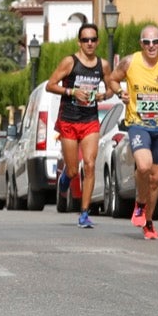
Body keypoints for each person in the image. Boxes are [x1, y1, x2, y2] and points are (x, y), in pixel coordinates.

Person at [106, 25, 158, 240]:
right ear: (141, 44)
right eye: (146, 42)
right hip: (138, 124)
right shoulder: (130, 62)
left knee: (155, 178)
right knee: (143, 166)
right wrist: (120, 92)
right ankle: (140, 204)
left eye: (155, 42)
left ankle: (148, 222)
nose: (151, 46)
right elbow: (111, 79)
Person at [47, 22, 110, 229]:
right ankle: (65, 177)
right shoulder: (70, 62)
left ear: (98, 42)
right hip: (69, 119)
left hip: (90, 120)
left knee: (90, 164)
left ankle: (84, 213)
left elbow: (111, 87)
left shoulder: (103, 65)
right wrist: (72, 92)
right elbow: (50, 85)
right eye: (85, 40)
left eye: (93, 39)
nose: (89, 43)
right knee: (74, 170)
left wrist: (103, 95)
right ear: (79, 42)